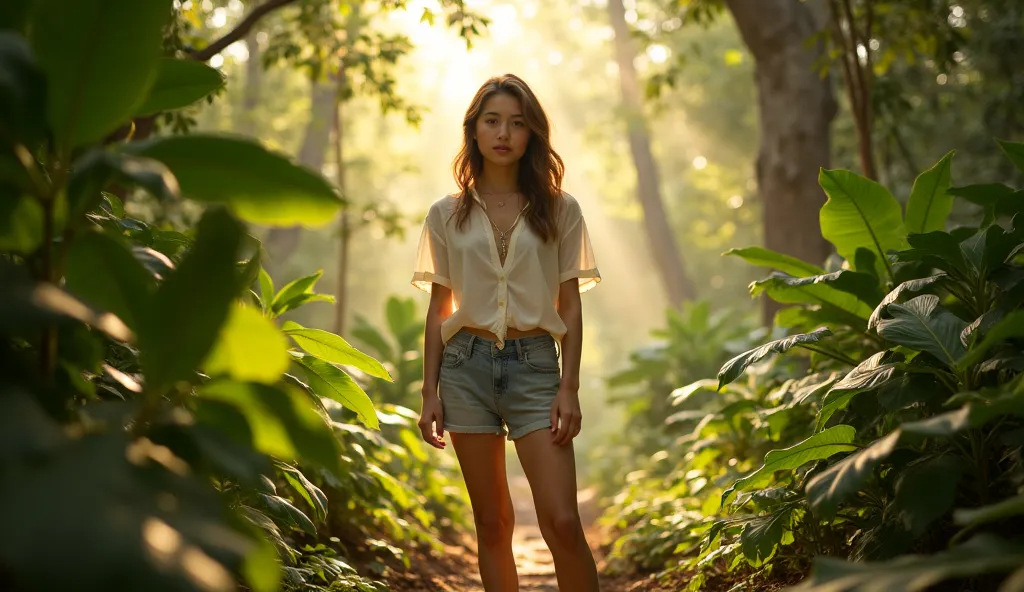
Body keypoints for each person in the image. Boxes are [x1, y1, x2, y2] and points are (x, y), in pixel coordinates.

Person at [410, 73, 602, 591]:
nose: (504, 133)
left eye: (517, 124)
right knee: (492, 525)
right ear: (473, 130)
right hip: (464, 369)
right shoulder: (446, 213)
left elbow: (571, 306)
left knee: (562, 522)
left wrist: (570, 386)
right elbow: (438, 308)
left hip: (537, 367)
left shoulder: (561, 209)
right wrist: (429, 391)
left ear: (531, 134)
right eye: (492, 121)